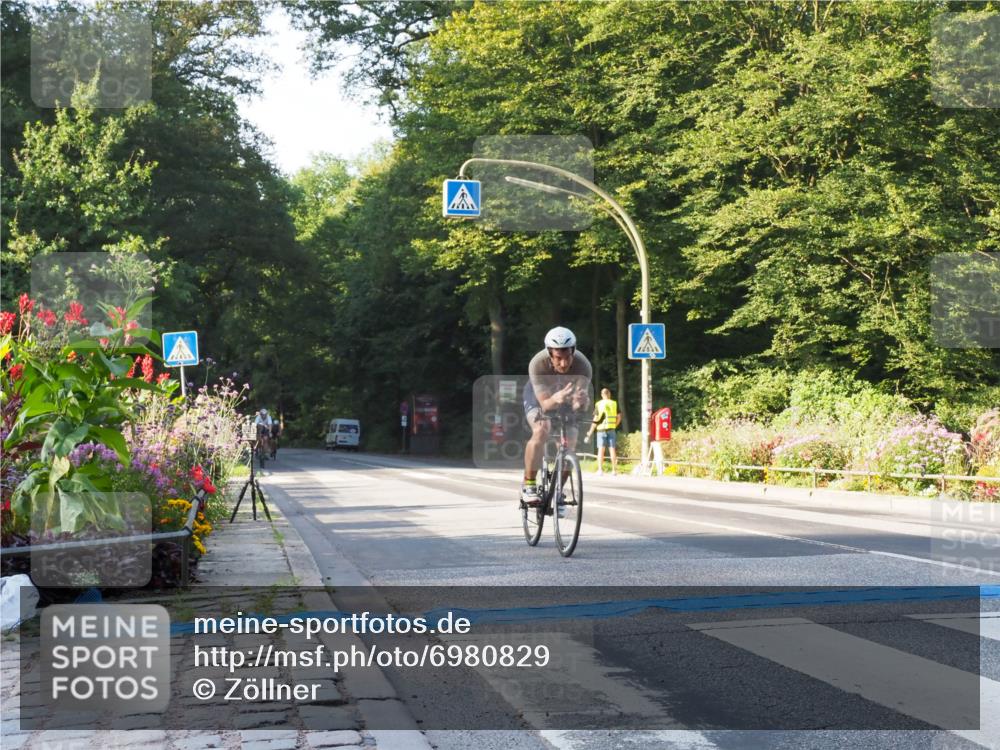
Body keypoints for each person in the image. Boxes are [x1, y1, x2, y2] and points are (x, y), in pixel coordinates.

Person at [521, 327, 592, 507]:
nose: (563, 363)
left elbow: (579, 405)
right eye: (558, 358)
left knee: (570, 443)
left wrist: (580, 401)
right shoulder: (537, 364)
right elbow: (545, 405)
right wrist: (554, 398)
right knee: (542, 430)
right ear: (549, 354)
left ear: (573, 351)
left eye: (567, 357)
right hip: (540, 398)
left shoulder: (583, 365)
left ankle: (557, 491)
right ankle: (529, 485)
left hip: (565, 396)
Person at [586, 387, 621, 475]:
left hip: (601, 430)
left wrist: (590, 431)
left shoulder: (599, 404)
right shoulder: (614, 403)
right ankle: (614, 470)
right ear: (609, 394)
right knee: (612, 449)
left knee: (601, 450)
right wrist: (614, 425)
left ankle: (600, 470)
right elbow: (619, 417)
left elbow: (595, 419)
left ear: (602, 395)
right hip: (611, 429)